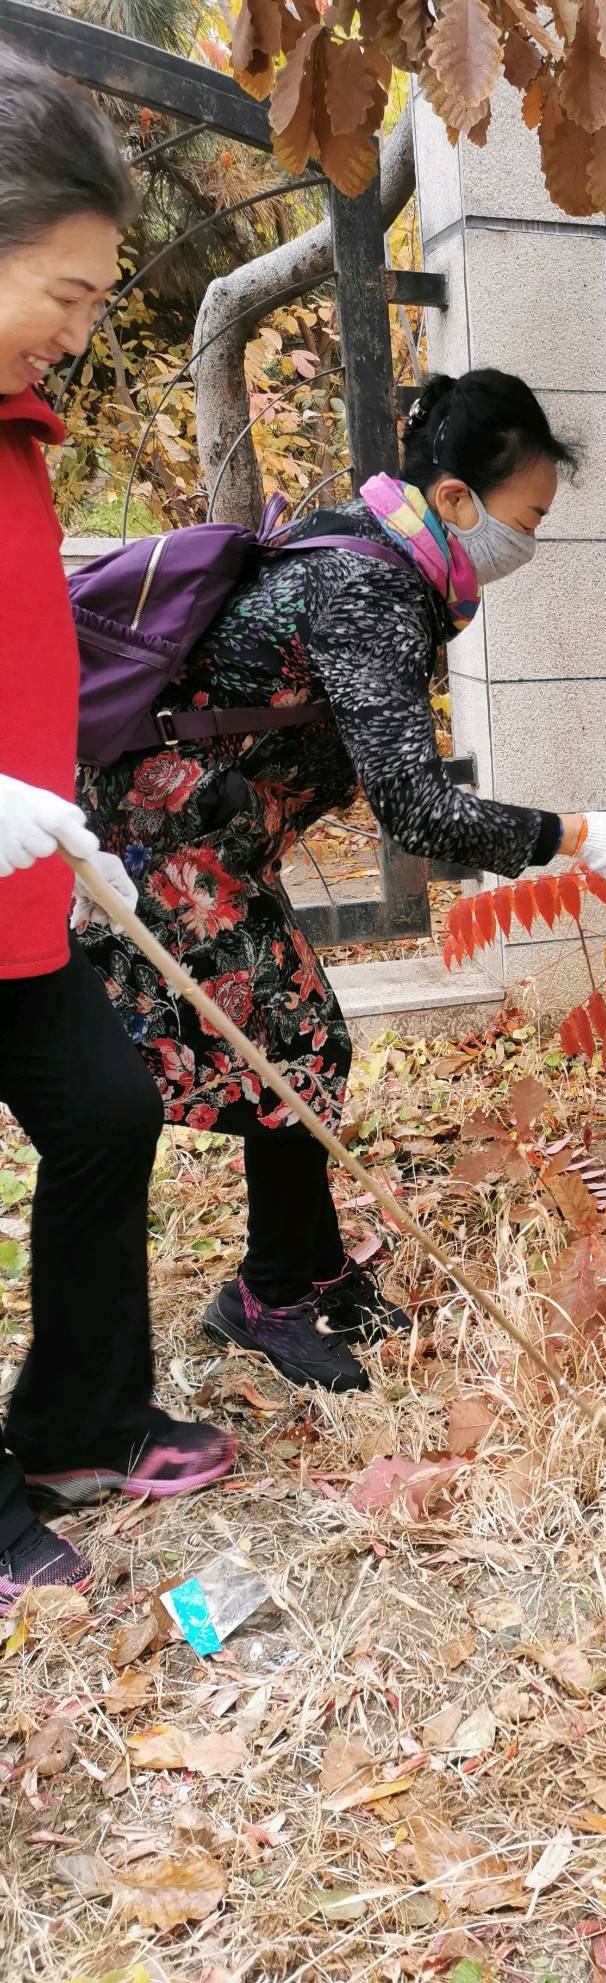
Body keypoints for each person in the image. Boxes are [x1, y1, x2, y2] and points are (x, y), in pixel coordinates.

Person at [79, 367, 606, 1393]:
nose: (525, 543)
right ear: (455, 499)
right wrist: (579, 834)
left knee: (297, 1039)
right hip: (164, 837)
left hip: (200, 831)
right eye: (524, 516)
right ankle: (268, 1298)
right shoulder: (370, 586)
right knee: (296, 1041)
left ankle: (304, 1273)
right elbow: (418, 810)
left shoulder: (377, 561)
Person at [0, 50, 237, 1600]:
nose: (88, 329)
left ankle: (79, 1419)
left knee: (105, 1109)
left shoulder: (15, 433)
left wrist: (61, 833)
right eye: (68, 290)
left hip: (17, 892)